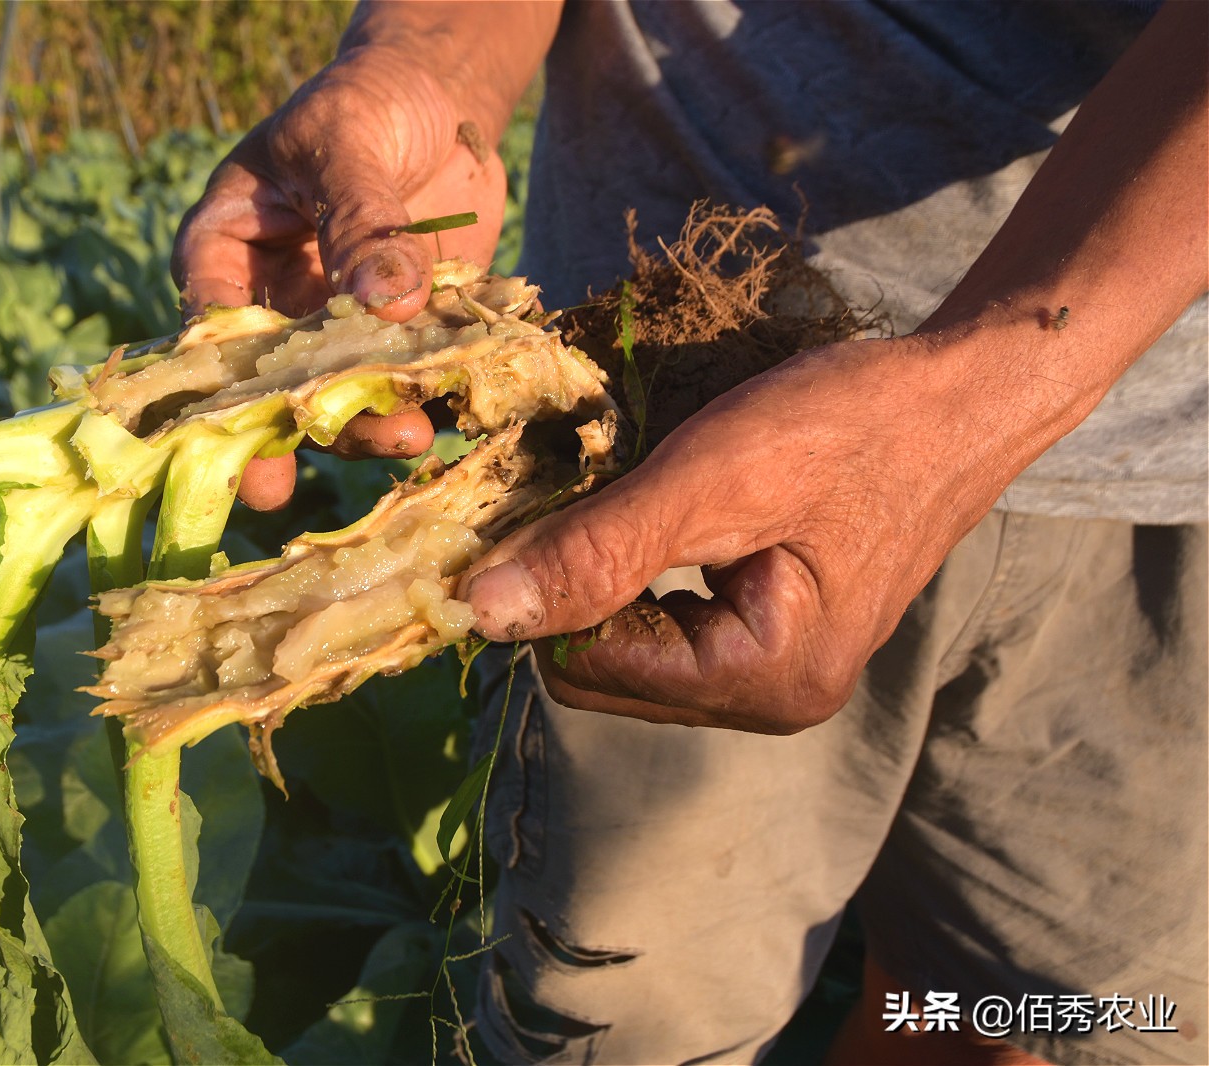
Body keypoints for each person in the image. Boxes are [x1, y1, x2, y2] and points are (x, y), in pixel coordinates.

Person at [172, 2, 1208, 1062]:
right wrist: (437, 65)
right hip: (651, 447)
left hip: (1154, 453)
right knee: (625, 1035)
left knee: (1030, 1027)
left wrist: (996, 384)